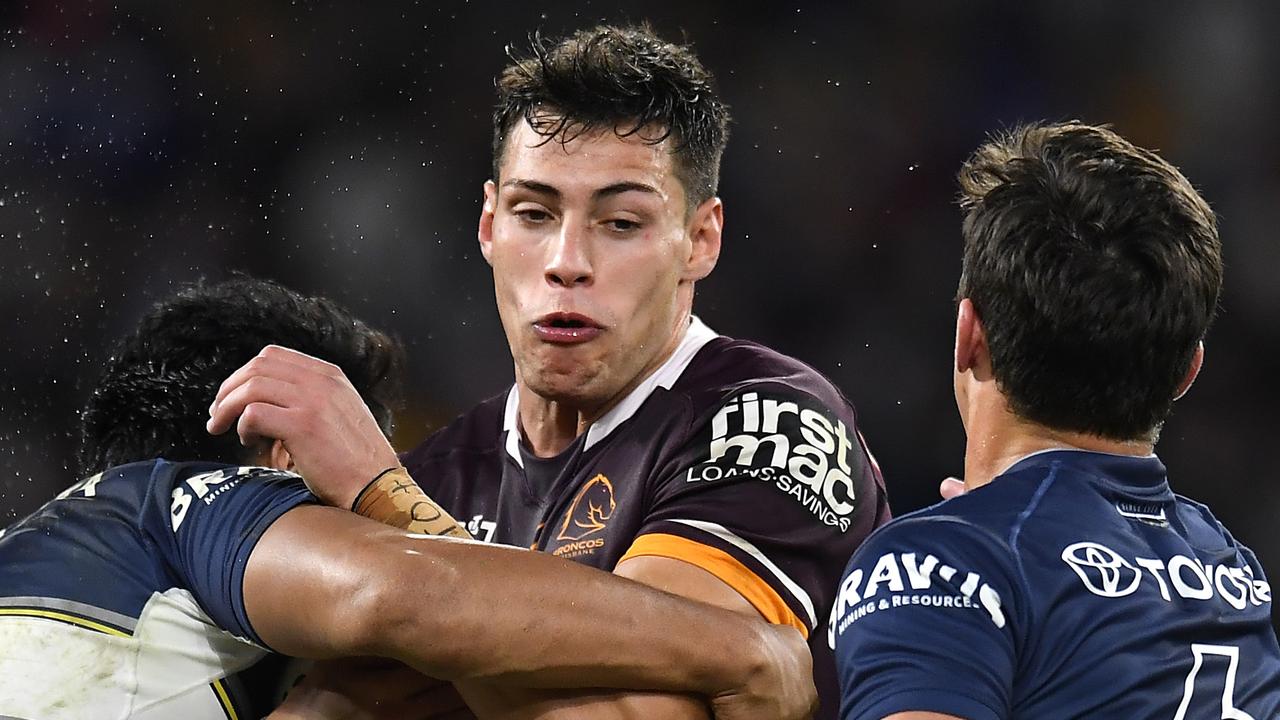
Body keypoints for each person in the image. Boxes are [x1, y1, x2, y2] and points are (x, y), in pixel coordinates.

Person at [207, 24, 890, 719]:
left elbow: (635, 713)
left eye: (621, 223)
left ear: (700, 240)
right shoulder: (443, 469)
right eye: (533, 213)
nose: (568, 261)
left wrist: (383, 504)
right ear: (488, 226)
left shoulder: (770, 423)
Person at [0, 278, 817, 720]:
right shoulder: (173, 500)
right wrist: (744, 649)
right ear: (277, 451)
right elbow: (409, 596)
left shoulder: (70, 564)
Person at [829, 122, 1280, 719]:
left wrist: (970, 553)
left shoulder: (937, 565)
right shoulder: (1231, 572)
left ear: (969, 334)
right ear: (1186, 373)